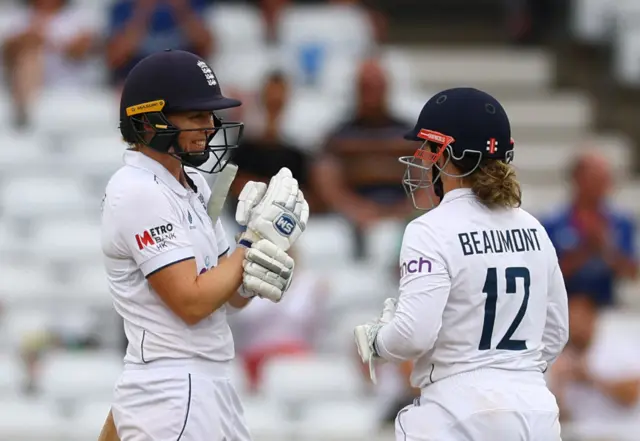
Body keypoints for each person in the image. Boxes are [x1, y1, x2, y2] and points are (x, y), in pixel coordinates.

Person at [98, 49, 309, 441]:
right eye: (195, 115)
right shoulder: (137, 190)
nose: (210, 126)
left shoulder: (192, 185)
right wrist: (252, 242)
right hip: (173, 389)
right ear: (149, 121)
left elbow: (227, 299)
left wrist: (256, 263)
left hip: (205, 383)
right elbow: (191, 303)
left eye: (210, 115)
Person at [354, 87, 569, 441]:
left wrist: (378, 341)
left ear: (444, 152)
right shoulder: (533, 227)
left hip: (458, 410)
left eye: (426, 146)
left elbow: (412, 335)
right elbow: (556, 331)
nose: (421, 156)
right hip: (537, 409)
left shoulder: (429, 229)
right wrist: (509, 374)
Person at [542, 151, 637, 308]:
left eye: (605, 179)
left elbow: (631, 274)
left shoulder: (621, 222)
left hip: (607, 307)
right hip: (564, 308)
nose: (601, 186)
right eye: (594, 179)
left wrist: (606, 248)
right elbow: (545, 276)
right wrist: (584, 249)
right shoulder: (553, 222)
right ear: (576, 179)